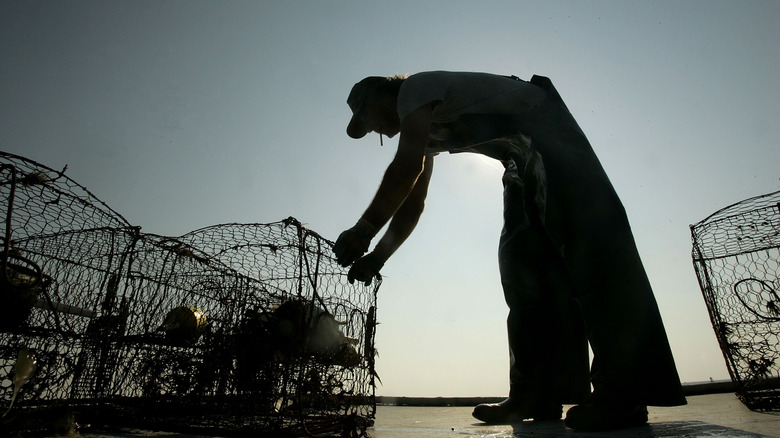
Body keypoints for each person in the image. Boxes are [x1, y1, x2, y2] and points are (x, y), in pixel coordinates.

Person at [332, 71, 686, 431]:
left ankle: (625, 393)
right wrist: (378, 257)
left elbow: (405, 166)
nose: (378, 131)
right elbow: (413, 202)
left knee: (593, 255)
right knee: (523, 272)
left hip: (552, 143)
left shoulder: (414, 89)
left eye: (369, 119)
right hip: (519, 164)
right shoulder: (424, 138)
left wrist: (364, 230)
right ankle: (534, 394)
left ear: (381, 94)